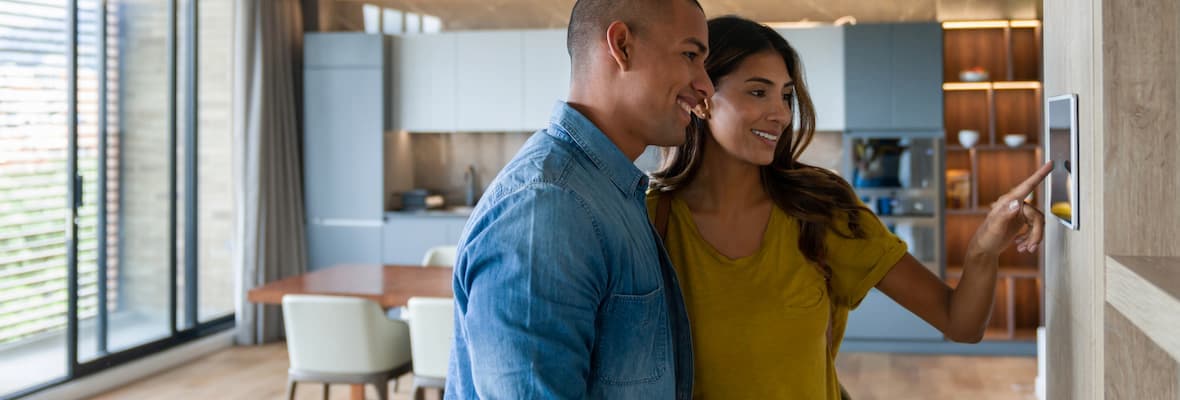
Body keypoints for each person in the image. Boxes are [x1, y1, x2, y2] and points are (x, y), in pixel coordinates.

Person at [646, 16, 1052, 399]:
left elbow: (960, 322)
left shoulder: (821, 209)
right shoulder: (651, 221)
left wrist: (983, 247)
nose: (781, 114)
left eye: (786, 95)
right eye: (757, 91)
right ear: (702, 98)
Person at [446, 0, 714, 398]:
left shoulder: (605, 192)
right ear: (621, 46)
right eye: (690, 55)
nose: (706, 85)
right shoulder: (547, 209)